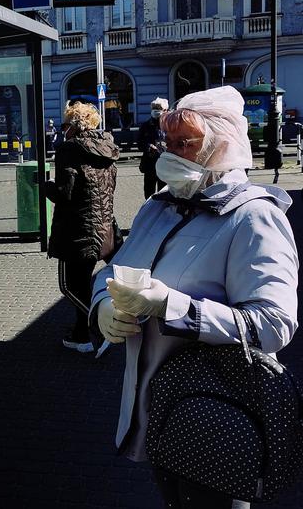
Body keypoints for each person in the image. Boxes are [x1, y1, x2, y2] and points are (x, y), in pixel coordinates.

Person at [89, 86, 298, 509]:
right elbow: (114, 270)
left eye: (185, 142)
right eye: (169, 141)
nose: (172, 151)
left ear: (223, 145)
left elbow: (275, 324)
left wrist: (173, 307)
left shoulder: (255, 217)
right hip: (157, 407)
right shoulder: (159, 205)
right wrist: (104, 306)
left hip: (219, 414)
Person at [45, 101, 119, 353]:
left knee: (69, 286)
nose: (63, 130)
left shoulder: (69, 149)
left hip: (76, 231)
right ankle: (81, 334)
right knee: (83, 283)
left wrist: (44, 186)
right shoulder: (107, 147)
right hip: (102, 227)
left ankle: (101, 328)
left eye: (65, 124)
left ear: (74, 126)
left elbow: (65, 193)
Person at [137, 97, 168, 198]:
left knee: (163, 193)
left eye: (158, 108)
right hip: (149, 164)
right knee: (149, 193)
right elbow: (139, 143)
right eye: (154, 108)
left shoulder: (169, 126)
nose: (156, 111)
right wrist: (148, 146)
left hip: (165, 164)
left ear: (165, 111)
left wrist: (163, 147)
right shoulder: (145, 126)